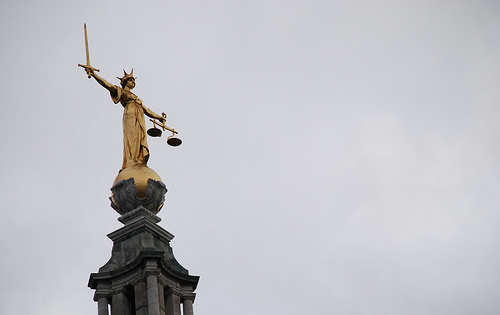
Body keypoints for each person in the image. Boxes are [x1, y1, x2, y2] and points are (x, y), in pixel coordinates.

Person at [83, 68, 165, 170]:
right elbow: (107, 85)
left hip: (139, 117)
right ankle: (131, 160)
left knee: (139, 138)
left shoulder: (137, 98)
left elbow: (147, 110)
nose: (133, 82)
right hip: (130, 114)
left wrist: (159, 117)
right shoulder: (121, 91)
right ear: (125, 82)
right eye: (131, 80)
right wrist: (94, 74)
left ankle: (139, 159)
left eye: (134, 80)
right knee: (131, 137)